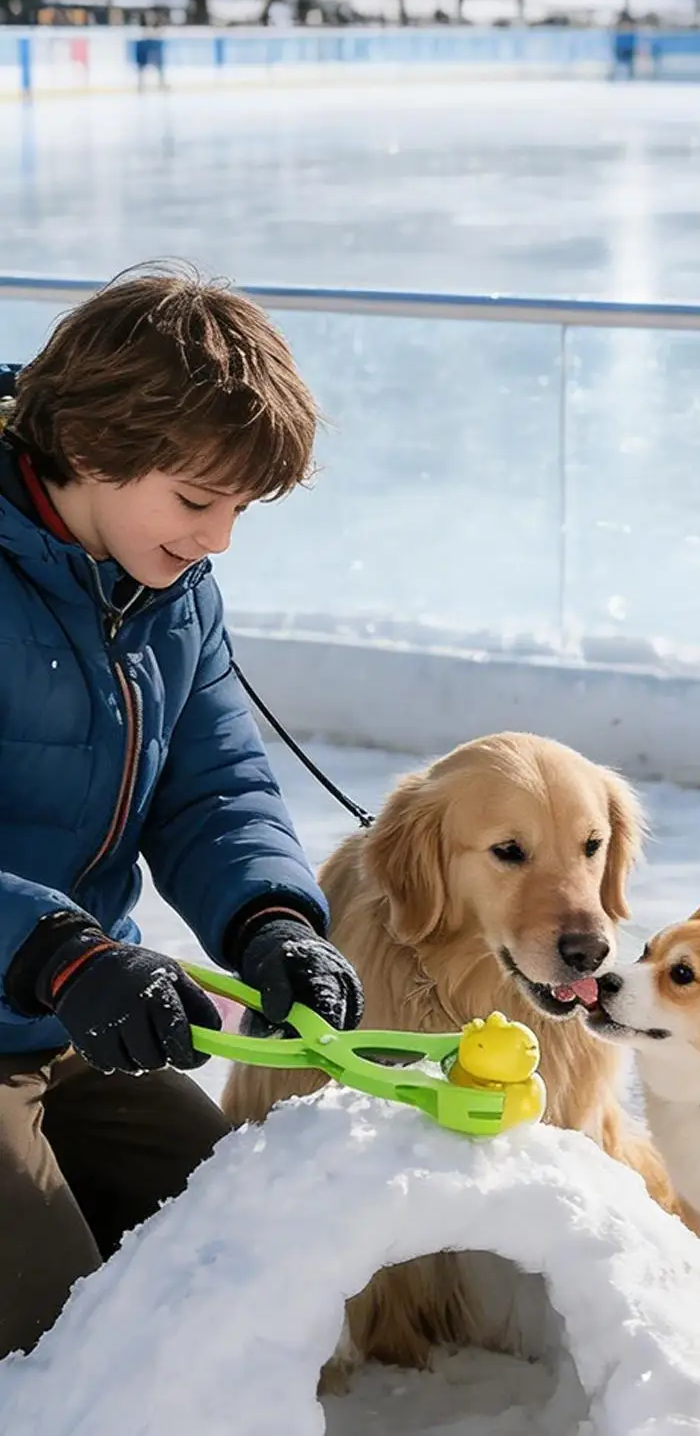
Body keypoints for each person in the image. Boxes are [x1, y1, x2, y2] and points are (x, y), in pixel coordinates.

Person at [0, 266, 364, 1356]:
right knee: (61, 1337)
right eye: (197, 500)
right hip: (51, 978)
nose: (220, 540)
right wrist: (65, 950)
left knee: (230, 1248)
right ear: (93, 449)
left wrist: (271, 921)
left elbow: (213, 784)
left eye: (240, 508)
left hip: (57, 1014)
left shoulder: (169, 588)